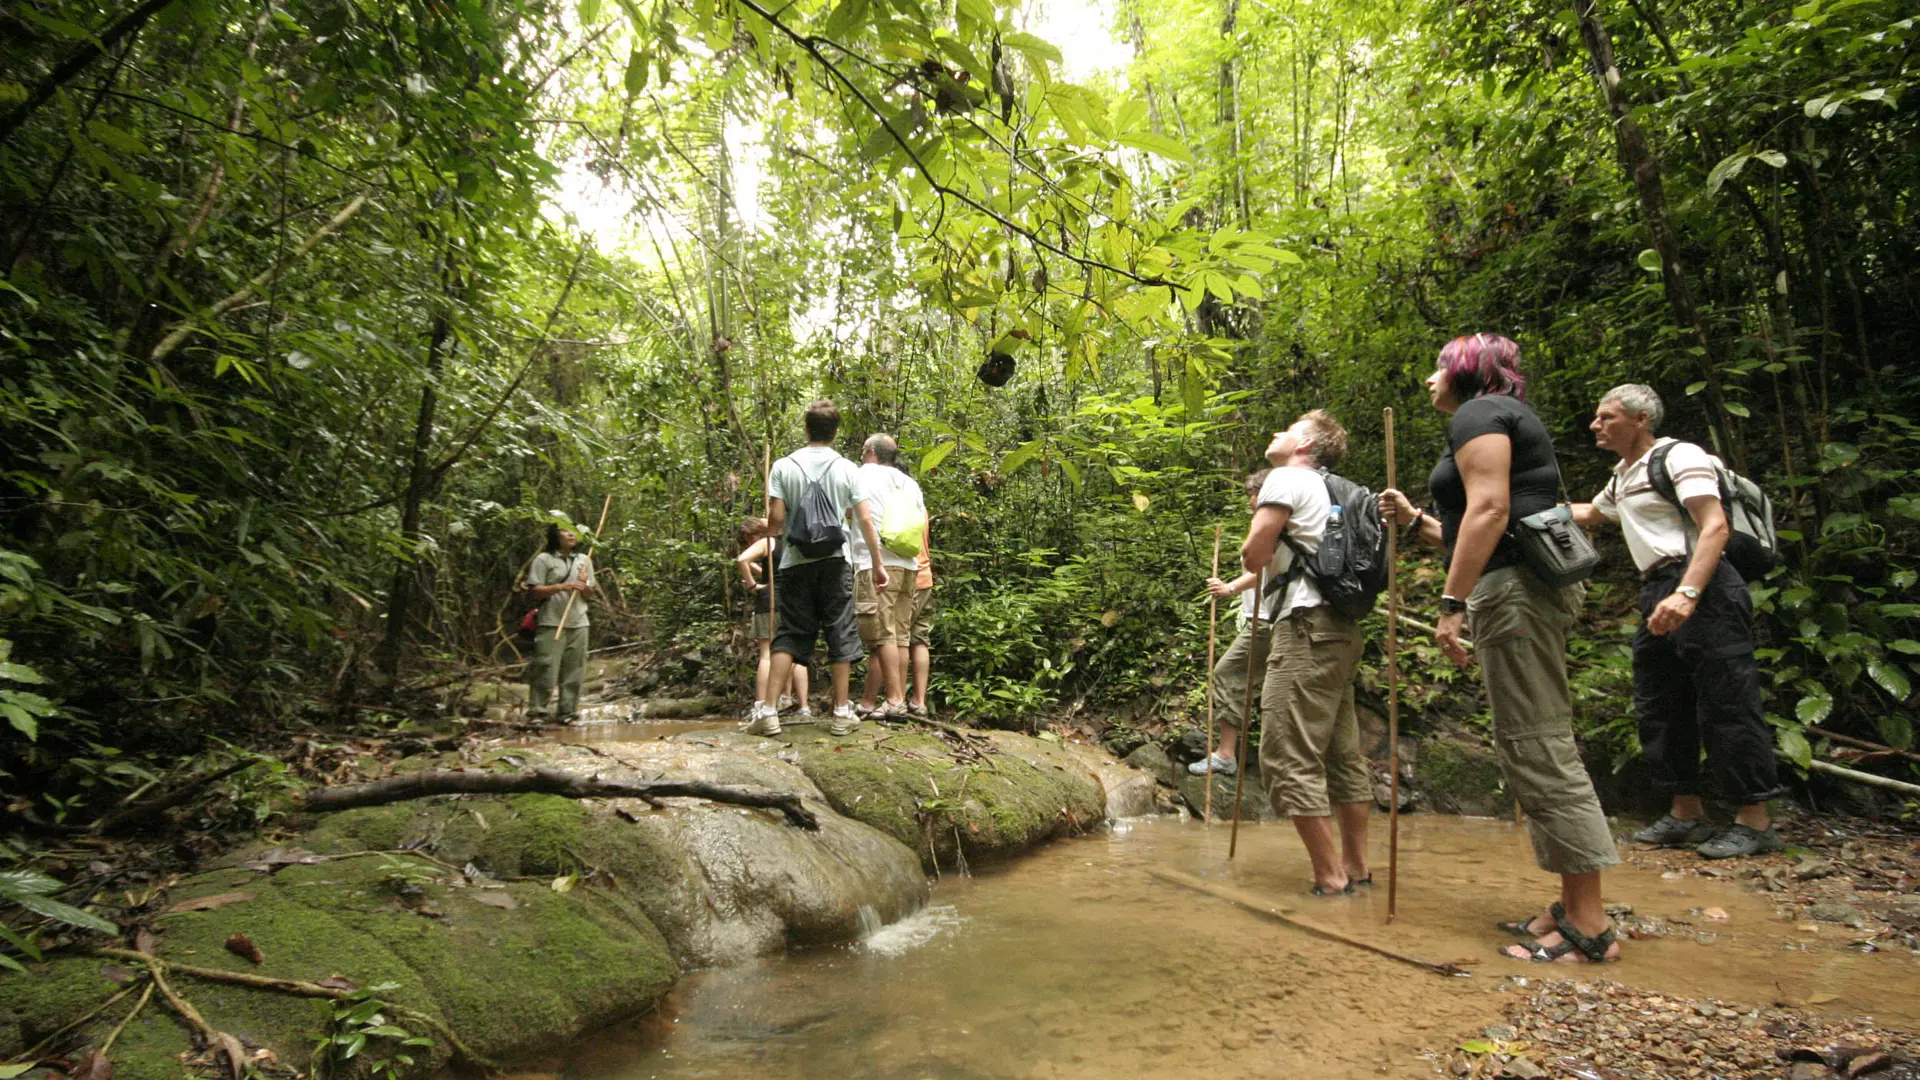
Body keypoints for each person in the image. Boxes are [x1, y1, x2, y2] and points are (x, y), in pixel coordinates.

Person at [1382, 333, 1621, 963]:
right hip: (1520, 584)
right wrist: (1415, 521)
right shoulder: (1490, 416)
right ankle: (1572, 904)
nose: (1429, 380)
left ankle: (1591, 927)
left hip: (1514, 592)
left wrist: (1450, 606)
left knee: (1539, 744)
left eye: (1438, 368)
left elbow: (1490, 512)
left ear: (1465, 371)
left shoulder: (1478, 412)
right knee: (1531, 743)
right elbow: (1472, 528)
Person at [1569, 384, 1785, 858]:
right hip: (1655, 590)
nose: (1595, 425)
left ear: (1641, 419)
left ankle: (1755, 820)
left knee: (1727, 699)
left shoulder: (1680, 456)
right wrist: (1519, 510)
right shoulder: (1625, 474)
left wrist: (1688, 592)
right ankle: (1686, 813)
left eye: (1606, 417)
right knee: (1659, 701)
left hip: (1702, 584)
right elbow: (1591, 513)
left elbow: (1715, 525)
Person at [1239, 413, 1373, 896]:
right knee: (1341, 753)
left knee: (1285, 751)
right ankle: (1357, 867)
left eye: (1287, 428)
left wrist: (1251, 550)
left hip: (1305, 627)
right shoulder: (1345, 490)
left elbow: (1255, 554)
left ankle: (1330, 876)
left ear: (1307, 443)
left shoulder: (1286, 477)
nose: (1275, 433)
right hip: (1341, 629)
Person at [758, 399, 889, 737]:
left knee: (790, 632)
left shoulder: (783, 466)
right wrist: (877, 565)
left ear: (806, 428)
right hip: (836, 562)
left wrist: (772, 523)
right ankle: (842, 713)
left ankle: (769, 712)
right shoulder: (848, 468)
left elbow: (775, 524)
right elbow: (864, 520)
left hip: (795, 563)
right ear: (835, 431)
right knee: (839, 629)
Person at [1191, 468, 1276, 779]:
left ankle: (1226, 754)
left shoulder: (1278, 522)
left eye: (1252, 496)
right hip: (1263, 618)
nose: (1249, 502)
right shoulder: (1271, 521)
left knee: (1228, 673)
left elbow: (1267, 570)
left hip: (1267, 621)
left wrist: (1231, 588)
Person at [850, 433, 925, 720]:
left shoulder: (862, 475)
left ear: (869, 451)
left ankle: (894, 701)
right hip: (908, 565)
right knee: (901, 635)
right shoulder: (909, 483)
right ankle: (899, 699)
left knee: (883, 635)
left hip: (877, 563)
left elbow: (849, 511)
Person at [735, 517, 811, 720]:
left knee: (767, 654)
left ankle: (761, 705)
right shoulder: (790, 541)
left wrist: (751, 586)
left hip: (770, 602)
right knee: (794, 654)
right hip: (793, 602)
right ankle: (803, 706)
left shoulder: (766, 541)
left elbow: (742, 559)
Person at [524, 522, 595, 725]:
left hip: (579, 622)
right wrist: (562, 586)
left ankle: (568, 714)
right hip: (551, 621)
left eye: (573, 531)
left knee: (574, 670)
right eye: (565, 530)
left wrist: (583, 583)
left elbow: (589, 594)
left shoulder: (584, 560)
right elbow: (535, 589)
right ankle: (537, 713)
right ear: (555, 535)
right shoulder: (544, 559)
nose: (571, 534)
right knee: (545, 668)